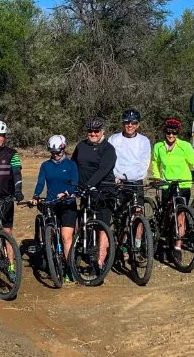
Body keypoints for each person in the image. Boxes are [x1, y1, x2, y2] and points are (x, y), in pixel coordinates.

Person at [150, 118, 194, 260]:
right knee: (168, 214)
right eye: (168, 132)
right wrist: (157, 176)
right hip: (166, 184)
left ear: (177, 133)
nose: (171, 135)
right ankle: (166, 237)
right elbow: (155, 162)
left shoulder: (185, 146)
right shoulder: (158, 147)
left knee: (180, 215)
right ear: (165, 132)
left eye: (174, 133)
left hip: (183, 185)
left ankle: (178, 247)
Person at [32, 135, 79, 282]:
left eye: (58, 152)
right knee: (54, 234)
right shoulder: (45, 165)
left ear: (64, 149)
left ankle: (70, 268)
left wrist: (68, 193)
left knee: (66, 237)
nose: (56, 155)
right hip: (52, 204)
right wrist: (35, 196)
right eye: (53, 153)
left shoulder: (71, 165)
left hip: (67, 204)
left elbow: (75, 184)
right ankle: (53, 262)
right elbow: (40, 183)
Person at [72, 117, 115, 275]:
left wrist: (90, 185)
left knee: (102, 227)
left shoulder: (108, 149)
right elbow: (74, 164)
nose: (93, 133)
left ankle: (99, 262)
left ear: (103, 131)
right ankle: (80, 251)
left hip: (104, 191)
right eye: (90, 131)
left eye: (97, 131)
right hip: (85, 191)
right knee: (83, 221)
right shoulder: (81, 146)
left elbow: (103, 170)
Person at [108, 109, 152, 262]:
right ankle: (120, 245)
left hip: (136, 182)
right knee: (119, 215)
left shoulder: (144, 141)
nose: (130, 125)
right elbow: (110, 160)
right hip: (118, 181)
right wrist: (115, 177)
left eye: (133, 122)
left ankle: (137, 247)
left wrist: (138, 177)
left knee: (139, 214)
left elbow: (145, 162)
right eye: (127, 122)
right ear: (123, 123)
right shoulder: (114, 139)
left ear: (138, 125)